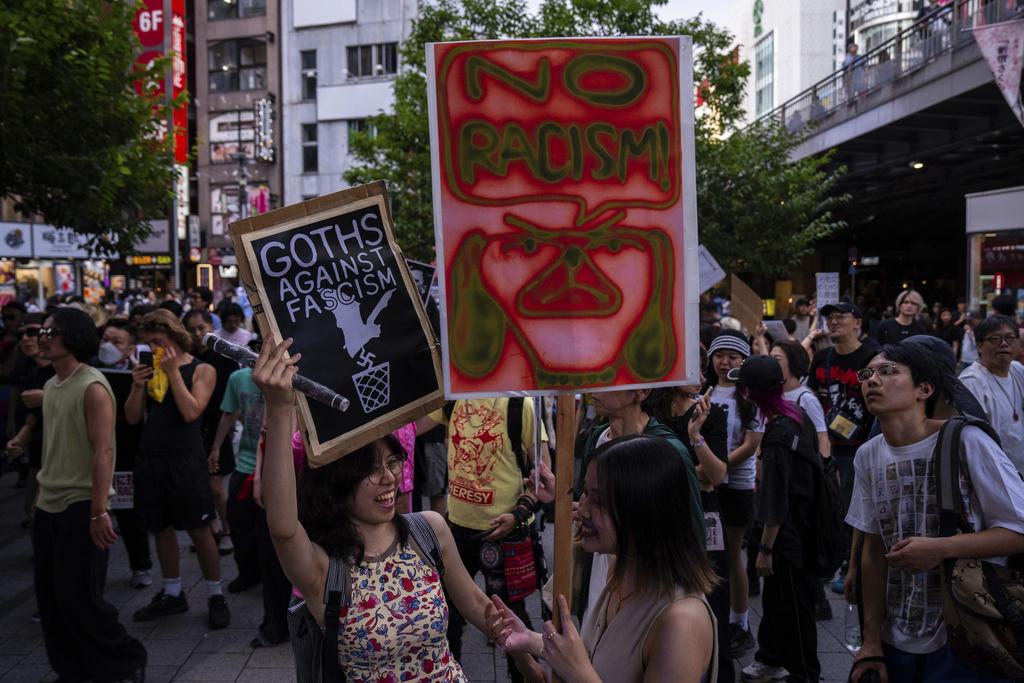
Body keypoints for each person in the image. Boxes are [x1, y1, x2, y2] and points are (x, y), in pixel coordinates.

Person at [252, 338, 542, 682]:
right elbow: (283, 527)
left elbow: (478, 606)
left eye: (392, 462)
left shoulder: (429, 530)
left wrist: (526, 661)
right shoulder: (323, 566)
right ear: (339, 481)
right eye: (371, 469)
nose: (389, 477)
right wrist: (279, 409)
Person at [847, 344, 1024, 683]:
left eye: (888, 371)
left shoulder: (966, 441)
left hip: (967, 629)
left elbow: (1018, 529)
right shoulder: (867, 455)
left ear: (924, 390)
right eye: (866, 374)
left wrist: (941, 548)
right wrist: (871, 640)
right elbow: (874, 549)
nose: (872, 380)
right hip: (896, 636)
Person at [490, 435, 718, 683]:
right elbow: (595, 658)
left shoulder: (682, 623)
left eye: (599, 502)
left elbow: (582, 668)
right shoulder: (619, 567)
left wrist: (578, 673)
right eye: (586, 493)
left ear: (645, 511)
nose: (583, 510)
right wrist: (530, 640)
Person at [32, 307, 147, 682]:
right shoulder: (52, 385)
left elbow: (104, 450)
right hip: (48, 504)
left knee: (80, 597)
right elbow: (54, 447)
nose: (43, 338)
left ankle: (127, 659)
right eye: (43, 332)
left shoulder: (92, 386)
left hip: (82, 504)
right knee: (51, 598)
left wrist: (99, 510)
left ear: (74, 337)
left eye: (52, 332)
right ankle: (71, 668)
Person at [420, 396, 551, 683]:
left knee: (511, 619)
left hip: (506, 533)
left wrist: (518, 513)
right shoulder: (452, 398)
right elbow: (409, 426)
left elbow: (544, 478)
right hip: (457, 530)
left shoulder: (520, 406)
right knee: (447, 612)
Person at [127, 310, 230, 629]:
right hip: (151, 456)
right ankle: (172, 592)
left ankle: (215, 594)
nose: (154, 348)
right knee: (160, 527)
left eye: (158, 341)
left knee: (200, 529)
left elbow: (191, 412)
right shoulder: (150, 371)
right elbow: (132, 417)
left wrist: (172, 373)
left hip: (185, 459)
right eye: (148, 343)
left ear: (174, 336)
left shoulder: (202, 369)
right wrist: (137, 386)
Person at [573, 386, 706, 624]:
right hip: (601, 574)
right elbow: (586, 503)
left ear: (642, 391)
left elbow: (691, 533)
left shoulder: (668, 451)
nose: (594, 388)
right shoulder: (597, 437)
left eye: (607, 378)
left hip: (651, 587)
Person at [732, 356, 821, 683]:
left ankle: (804, 674)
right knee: (775, 599)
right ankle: (770, 657)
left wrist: (765, 549)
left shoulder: (778, 434)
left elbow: (776, 496)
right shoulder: (795, 415)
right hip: (802, 523)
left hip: (787, 534)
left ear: (747, 392)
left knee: (795, 607)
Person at [645, 361, 732, 683]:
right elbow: (648, 472)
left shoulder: (711, 414)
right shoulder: (650, 413)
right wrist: (693, 474)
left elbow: (717, 475)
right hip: (662, 513)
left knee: (712, 596)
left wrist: (696, 435)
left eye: (701, 370)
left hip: (705, 513)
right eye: (691, 368)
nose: (700, 377)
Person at [807, 302, 877, 595]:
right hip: (826, 445)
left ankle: (850, 564)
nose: (833, 322)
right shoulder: (822, 358)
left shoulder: (871, 358)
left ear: (857, 322)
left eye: (840, 317)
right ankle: (831, 560)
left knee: (852, 509)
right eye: (830, 318)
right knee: (828, 507)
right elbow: (811, 397)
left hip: (858, 446)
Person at [704, 330, 763, 656]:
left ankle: (740, 622)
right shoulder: (704, 391)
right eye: (719, 355)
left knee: (733, 555)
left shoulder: (751, 395)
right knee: (711, 553)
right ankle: (714, 615)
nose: (725, 362)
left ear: (744, 360)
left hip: (737, 485)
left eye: (733, 356)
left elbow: (751, 445)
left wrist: (719, 466)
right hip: (708, 483)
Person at [95, 320, 153, 589]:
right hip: (95, 453)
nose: (108, 346)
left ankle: (141, 566)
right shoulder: (90, 369)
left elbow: (136, 417)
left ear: (131, 347)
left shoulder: (139, 372)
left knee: (129, 513)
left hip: (127, 454)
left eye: (116, 342)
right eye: (105, 339)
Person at [185, 308, 238, 557]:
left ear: (211, 327)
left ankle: (228, 530)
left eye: (201, 328)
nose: (197, 334)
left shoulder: (224, 356)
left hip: (218, 427)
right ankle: (211, 526)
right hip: (194, 429)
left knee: (217, 486)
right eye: (192, 329)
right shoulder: (187, 356)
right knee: (200, 484)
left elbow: (232, 398)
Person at [958, 314, 1024, 475]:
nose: (1004, 344)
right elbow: (974, 440)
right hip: (995, 473)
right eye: (995, 339)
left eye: (1010, 338)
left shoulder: (1017, 370)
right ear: (979, 346)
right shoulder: (972, 382)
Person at [6, 313, 53, 528]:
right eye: (21, 335)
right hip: (39, 450)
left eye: (32, 332)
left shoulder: (68, 369)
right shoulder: (33, 371)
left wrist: (49, 397)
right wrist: (18, 440)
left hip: (65, 457)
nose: (25, 338)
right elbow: (32, 418)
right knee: (33, 512)